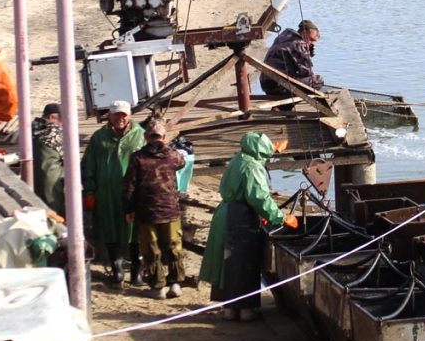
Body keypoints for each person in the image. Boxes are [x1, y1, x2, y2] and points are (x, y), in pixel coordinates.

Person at [199, 132, 298, 321]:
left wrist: (274, 150)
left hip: (225, 213)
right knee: (244, 262)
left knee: (227, 262)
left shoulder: (238, 159)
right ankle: (245, 309)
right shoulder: (253, 167)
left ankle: (229, 308)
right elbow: (259, 197)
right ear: (261, 151)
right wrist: (280, 217)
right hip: (241, 217)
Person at [81, 100, 146, 286]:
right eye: (116, 114)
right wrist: (89, 189)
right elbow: (88, 164)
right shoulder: (99, 137)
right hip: (106, 192)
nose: (120, 118)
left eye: (123, 115)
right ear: (109, 115)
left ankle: (137, 272)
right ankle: (117, 270)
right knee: (109, 228)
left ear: (129, 116)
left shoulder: (141, 135)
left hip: (134, 192)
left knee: (135, 230)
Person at [122, 119, 187, 300]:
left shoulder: (137, 158)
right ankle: (175, 283)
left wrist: (128, 208)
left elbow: (129, 186)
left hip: (146, 211)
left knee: (151, 248)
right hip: (170, 210)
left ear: (146, 137)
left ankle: (158, 286)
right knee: (174, 246)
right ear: (164, 137)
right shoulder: (173, 156)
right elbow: (182, 163)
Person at [259, 19, 324, 108]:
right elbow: (306, 72)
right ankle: (283, 107)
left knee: (299, 77)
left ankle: (281, 106)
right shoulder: (299, 44)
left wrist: (308, 51)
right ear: (304, 33)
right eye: (311, 40)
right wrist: (307, 53)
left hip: (266, 83)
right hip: (279, 86)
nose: (312, 43)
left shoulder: (284, 36)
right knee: (317, 81)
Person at [32, 102, 64, 215]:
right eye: (62, 120)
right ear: (52, 117)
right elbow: (69, 160)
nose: (63, 124)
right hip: (52, 183)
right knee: (54, 215)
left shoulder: (34, 129)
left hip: (35, 180)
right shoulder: (54, 132)